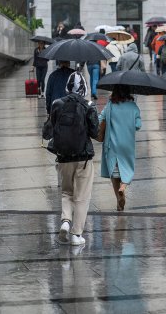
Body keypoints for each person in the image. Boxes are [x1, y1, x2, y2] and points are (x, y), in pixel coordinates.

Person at [49, 71, 99, 246]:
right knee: (81, 196)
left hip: (63, 157)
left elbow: (50, 128)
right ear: (84, 88)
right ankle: (76, 234)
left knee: (66, 192)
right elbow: (94, 132)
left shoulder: (57, 104)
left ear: (67, 87)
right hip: (83, 157)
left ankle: (65, 221)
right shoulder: (89, 106)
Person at [99, 85, 141, 211]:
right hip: (127, 145)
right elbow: (138, 125)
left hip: (112, 145)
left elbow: (100, 119)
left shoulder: (110, 105)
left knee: (114, 172)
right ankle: (123, 187)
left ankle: (118, 200)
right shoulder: (133, 106)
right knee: (127, 168)